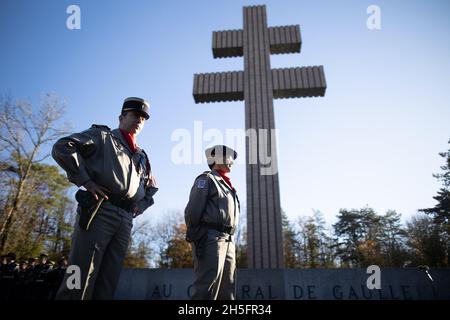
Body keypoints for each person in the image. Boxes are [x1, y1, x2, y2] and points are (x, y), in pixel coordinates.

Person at [52, 97, 158, 300]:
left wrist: (142, 203)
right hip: (100, 209)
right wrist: (85, 180)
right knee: (79, 275)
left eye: (143, 118)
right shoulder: (103, 136)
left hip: (126, 219)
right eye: (135, 115)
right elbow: (63, 147)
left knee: (108, 280)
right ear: (122, 117)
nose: (139, 120)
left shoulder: (141, 156)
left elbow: (147, 188)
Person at [184, 145, 240, 300]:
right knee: (206, 288)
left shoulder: (229, 186)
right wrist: (198, 236)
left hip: (229, 240)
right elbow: (192, 212)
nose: (232, 162)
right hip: (211, 238)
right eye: (229, 157)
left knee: (227, 290)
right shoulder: (207, 179)